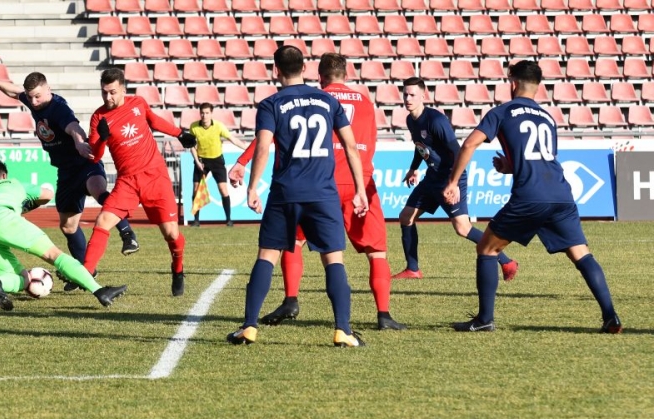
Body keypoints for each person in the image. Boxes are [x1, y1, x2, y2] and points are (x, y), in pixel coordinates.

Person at [229, 53, 406, 332]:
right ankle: (381, 314)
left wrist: (243, 163)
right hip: (357, 180)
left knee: (292, 242)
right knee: (375, 251)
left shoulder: (310, 99)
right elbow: (363, 144)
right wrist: (361, 185)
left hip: (320, 181)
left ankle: (289, 300)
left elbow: (267, 138)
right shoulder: (360, 102)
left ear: (319, 76)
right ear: (346, 75)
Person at [443, 60, 621, 334]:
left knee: (487, 249)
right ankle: (610, 316)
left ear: (512, 83)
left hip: (530, 195)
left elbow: (469, 143)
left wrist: (454, 182)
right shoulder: (547, 118)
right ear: (537, 88)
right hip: (561, 194)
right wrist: (511, 166)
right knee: (581, 254)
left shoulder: (503, 112)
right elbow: (542, 158)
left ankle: (484, 319)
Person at [0, 71, 139, 291]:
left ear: (48, 89)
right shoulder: (34, 101)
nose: (34, 101)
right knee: (68, 226)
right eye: (31, 97)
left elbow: (73, 127)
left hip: (84, 162)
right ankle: (85, 271)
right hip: (66, 172)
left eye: (38, 96)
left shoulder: (57, 108)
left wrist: (80, 143)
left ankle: (127, 233)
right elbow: (15, 92)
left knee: (98, 190)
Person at [0, 158, 127, 309]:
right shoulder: (12, 183)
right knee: (54, 255)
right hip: (4, 219)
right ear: (3, 175)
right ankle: (99, 291)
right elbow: (47, 195)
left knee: (21, 277)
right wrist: (25, 206)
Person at [84, 67, 198, 296]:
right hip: (127, 181)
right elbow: (94, 157)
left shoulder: (138, 103)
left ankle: (177, 269)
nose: (108, 97)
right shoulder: (98, 117)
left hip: (155, 177)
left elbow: (154, 121)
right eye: (104, 92)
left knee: (171, 234)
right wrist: (102, 140)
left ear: (123, 90)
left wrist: (179, 133)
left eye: (112, 92)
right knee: (103, 220)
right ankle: (84, 273)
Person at [396, 77, 519, 282]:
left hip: (450, 177)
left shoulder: (436, 120)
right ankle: (412, 269)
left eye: (412, 95)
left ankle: (507, 262)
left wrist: (454, 183)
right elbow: (420, 146)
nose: (408, 99)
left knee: (462, 228)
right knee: (406, 217)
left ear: (423, 96)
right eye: (405, 95)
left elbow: (456, 150)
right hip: (432, 177)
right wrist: (413, 169)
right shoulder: (411, 120)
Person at [189, 102, 248, 227]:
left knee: (223, 189)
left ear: (211, 114)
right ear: (199, 113)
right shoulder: (194, 127)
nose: (204, 116)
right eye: (202, 113)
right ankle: (196, 220)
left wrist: (248, 150)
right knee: (196, 190)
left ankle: (228, 219)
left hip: (217, 161)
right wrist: (197, 161)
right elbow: (192, 146)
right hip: (201, 161)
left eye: (207, 113)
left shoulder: (218, 126)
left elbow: (232, 139)